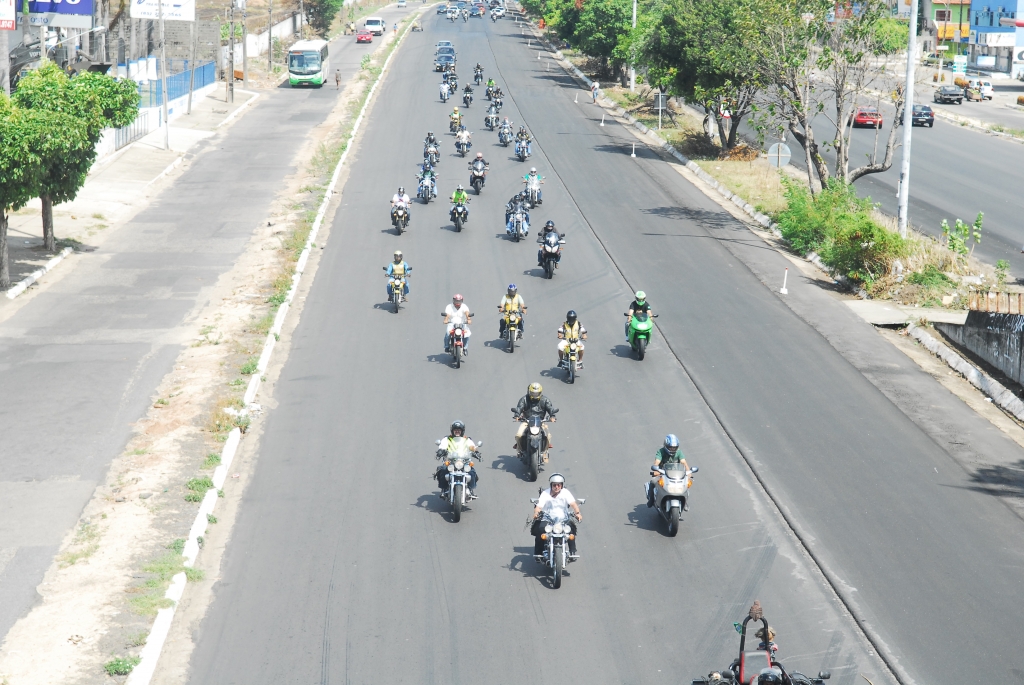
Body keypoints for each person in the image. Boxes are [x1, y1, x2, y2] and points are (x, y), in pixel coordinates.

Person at [531, 473, 581, 558]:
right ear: (551, 485)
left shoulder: (565, 492)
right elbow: (539, 506)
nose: (556, 487)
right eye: (554, 485)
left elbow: (573, 504)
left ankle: (572, 552)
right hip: (548, 519)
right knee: (540, 530)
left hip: (563, 519)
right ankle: (538, 554)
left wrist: (577, 513)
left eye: (559, 485)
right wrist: (536, 513)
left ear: (561, 485)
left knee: (571, 530)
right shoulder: (545, 493)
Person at [435, 420, 481, 496]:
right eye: (455, 430)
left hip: (464, 461)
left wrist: (475, 451)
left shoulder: (467, 440)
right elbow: (442, 446)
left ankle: (470, 489)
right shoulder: (447, 439)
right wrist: (440, 451)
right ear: (452, 431)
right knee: (442, 469)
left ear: (462, 431)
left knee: (472, 472)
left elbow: (472, 447)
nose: (457, 432)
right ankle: (443, 489)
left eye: (459, 430)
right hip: (450, 461)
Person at [513, 382, 558, 454]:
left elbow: (550, 408)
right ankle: (520, 449)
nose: (534, 395)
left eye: (536, 393)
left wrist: (552, 416)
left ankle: (545, 451)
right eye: (533, 393)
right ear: (529, 392)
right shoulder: (524, 399)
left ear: (540, 392)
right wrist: (517, 415)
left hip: (540, 421)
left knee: (548, 435)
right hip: (526, 421)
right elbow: (519, 408)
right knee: (519, 435)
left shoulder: (545, 400)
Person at [646, 434, 689, 507]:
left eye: (674, 448)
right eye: (671, 447)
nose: (673, 449)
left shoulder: (679, 452)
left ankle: (684, 502)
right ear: (666, 445)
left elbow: (683, 462)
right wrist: (656, 469)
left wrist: (688, 472)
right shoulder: (661, 451)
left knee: (685, 485)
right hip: (662, 474)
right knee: (653, 482)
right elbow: (657, 462)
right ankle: (651, 500)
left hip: (676, 475)